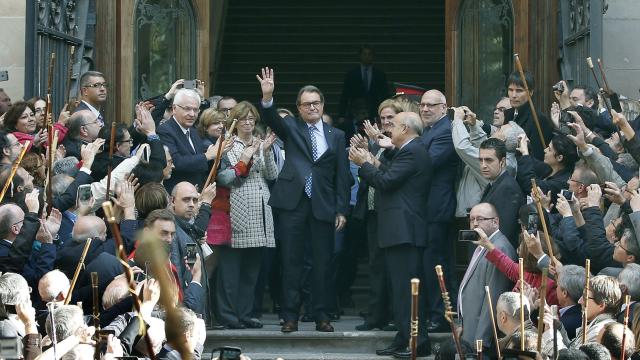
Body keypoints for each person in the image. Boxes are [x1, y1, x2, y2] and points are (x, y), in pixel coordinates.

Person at [256, 68, 350, 333]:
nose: (312, 107)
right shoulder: (291, 128)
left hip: (323, 204)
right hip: (293, 204)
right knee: (291, 262)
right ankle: (290, 317)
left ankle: (321, 315)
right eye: (307, 104)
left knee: (322, 262)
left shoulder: (337, 135)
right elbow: (271, 118)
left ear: (323, 105)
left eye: (316, 103)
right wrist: (267, 97)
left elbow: (342, 176)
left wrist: (342, 209)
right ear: (298, 108)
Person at [350, 111, 431, 358]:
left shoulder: (413, 151)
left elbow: (386, 182)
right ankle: (404, 336)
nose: (388, 130)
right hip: (400, 230)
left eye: (393, 125)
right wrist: (374, 162)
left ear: (405, 128)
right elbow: (391, 175)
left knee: (407, 291)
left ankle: (418, 341)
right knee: (400, 289)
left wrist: (364, 163)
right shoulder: (409, 150)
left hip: (405, 230)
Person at [214, 101, 278, 329]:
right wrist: (248, 155)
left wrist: (266, 151)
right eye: (244, 119)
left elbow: (272, 174)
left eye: (252, 119)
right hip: (237, 207)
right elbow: (226, 178)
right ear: (235, 121)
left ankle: (246, 313)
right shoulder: (229, 144)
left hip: (261, 208)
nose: (249, 123)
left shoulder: (260, 142)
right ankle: (228, 315)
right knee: (231, 270)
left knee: (252, 270)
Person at [418, 89, 459, 332]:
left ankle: (441, 317)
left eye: (431, 105)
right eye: (422, 105)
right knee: (430, 263)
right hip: (427, 209)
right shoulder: (431, 130)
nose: (425, 109)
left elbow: (426, 164)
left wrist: (397, 149)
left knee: (436, 264)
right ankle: (434, 313)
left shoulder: (445, 131)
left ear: (444, 108)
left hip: (437, 208)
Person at [459, 202, 516, 355]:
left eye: (480, 219)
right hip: (470, 331)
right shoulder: (481, 244)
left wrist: (481, 340)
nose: (475, 223)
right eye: (472, 219)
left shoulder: (500, 247)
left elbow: (493, 296)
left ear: (495, 222)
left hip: (480, 340)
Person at [157, 88, 221, 193]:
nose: (192, 114)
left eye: (195, 110)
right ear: (174, 108)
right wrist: (208, 155)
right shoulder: (164, 131)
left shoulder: (194, 132)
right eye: (187, 109)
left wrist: (218, 154)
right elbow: (176, 163)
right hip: (176, 197)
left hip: (197, 194)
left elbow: (202, 166)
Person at [478, 138, 525, 247]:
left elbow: (503, 233)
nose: (483, 165)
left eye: (489, 160)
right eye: (481, 160)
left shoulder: (507, 188)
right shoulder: (496, 183)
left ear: (502, 162)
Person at [503, 70, 554, 160]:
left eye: (519, 91)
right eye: (510, 90)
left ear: (530, 92)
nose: (513, 95)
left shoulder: (538, 119)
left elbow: (538, 156)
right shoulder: (508, 114)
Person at [338, 45, 390, 123]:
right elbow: (345, 95)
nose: (367, 57)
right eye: (364, 54)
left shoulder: (379, 74)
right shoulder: (352, 74)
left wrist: (385, 113)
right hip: (355, 111)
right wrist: (341, 115)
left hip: (374, 111)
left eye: (369, 54)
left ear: (373, 56)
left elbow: (384, 95)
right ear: (360, 56)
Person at [555, 265, 586, 339]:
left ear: (564, 293)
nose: (556, 288)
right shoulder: (585, 316)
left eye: (557, 285)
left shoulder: (564, 325)